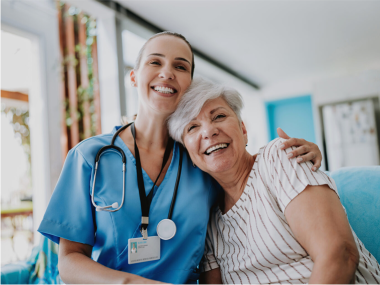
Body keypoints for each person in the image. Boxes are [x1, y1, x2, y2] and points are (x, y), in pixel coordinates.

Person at [38, 32, 323, 285]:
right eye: (155, 62)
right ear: (134, 76)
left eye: (180, 66)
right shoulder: (90, 157)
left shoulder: (200, 157)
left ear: (188, 84)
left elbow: (247, 174)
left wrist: (293, 154)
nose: (167, 72)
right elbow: (69, 262)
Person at [168, 77, 380, 285]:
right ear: (188, 152)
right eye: (192, 127)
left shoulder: (278, 158)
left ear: (243, 130)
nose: (209, 131)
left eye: (219, 116)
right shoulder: (208, 219)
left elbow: (339, 255)